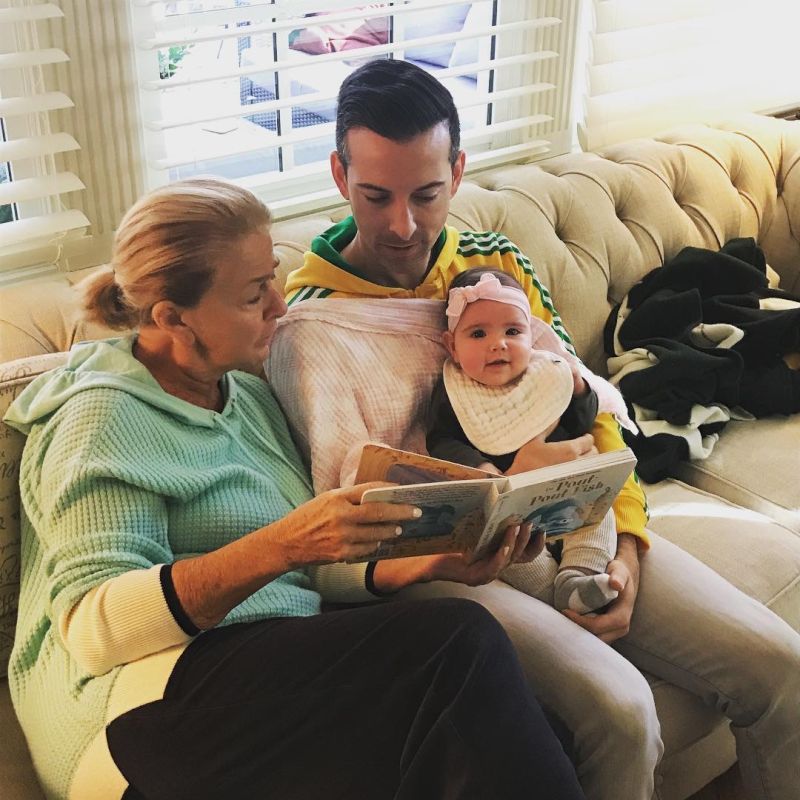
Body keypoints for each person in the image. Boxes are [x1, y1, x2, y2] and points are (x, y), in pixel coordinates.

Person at [279, 58, 800, 800]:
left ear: (458, 172)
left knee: (780, 665)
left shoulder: (496, 267)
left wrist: (626, 549)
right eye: (376, 195)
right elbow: (341, 519)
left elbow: (588, 412)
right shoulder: (310, 325)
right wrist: (495, 489)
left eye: (426, 194)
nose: (403, 225)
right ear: (339, 175)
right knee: (622, 711)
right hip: (439, 569)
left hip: (575, 520)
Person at [2, 178, 587, 800]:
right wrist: (283, 544)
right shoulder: (102, 416)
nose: (280, 307)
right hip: (137, 712)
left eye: (273, 281)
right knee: (456, 645)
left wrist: (429, 562)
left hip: (271, 674)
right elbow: (94, 628)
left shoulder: (247, 396)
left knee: (540, 735)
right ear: (173, 317)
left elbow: (308, 568)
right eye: (255, 294)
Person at [429, 268, 623, 614]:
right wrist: (481, 467)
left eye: (513, 331)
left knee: (598, 513)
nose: (498, 344)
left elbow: (581, 425)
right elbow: (441, 441)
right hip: (510, 509)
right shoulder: (454, 392)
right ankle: (554, 594)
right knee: (504, 548)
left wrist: (579, 391)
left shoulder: (545, 374)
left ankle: (580, 575)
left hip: (567, 491)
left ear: (531, 336)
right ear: (452, 346)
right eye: (478, 333)